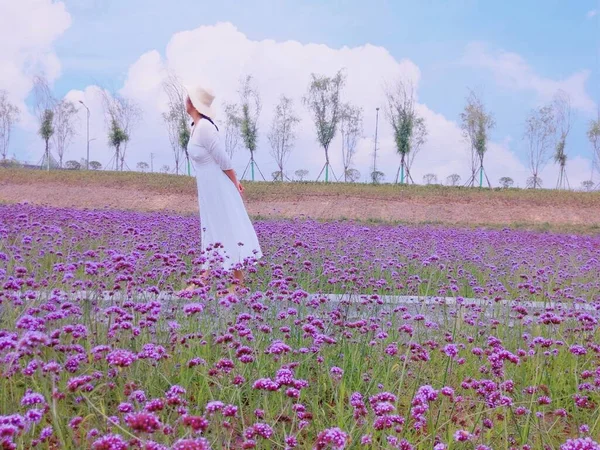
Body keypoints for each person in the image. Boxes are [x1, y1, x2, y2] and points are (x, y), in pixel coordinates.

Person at [181, 85, 262, 294]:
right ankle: (203, 280)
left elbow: (223, 158)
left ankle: (235, 284)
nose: (185, 100)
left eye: (188, 98)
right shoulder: (196, 127)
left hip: (217, 186)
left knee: (226, 229)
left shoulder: (206, 128)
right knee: (211, 231)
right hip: (208, 188)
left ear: (193, 104)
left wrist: (235, 183)